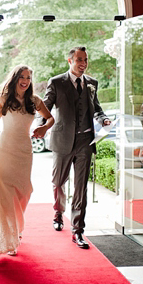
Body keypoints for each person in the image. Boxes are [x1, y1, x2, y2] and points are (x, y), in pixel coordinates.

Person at [0, 65, 54, 255]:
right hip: (5, 150)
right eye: (22, 77)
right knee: (6, 194)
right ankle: (11, 234)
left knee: (24, 192)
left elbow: (50, 118)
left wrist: (43, 129)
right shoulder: (4, 100)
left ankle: (16, 227)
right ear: (15, 78)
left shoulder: (34, 100)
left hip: (24, 151)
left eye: (28, 78)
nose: (25, 81)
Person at [44, 46, 110, 249]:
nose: (83, 63)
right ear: (69, 61)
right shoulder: (56, 82)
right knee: (58, 182)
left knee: (81, 187)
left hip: (85, 142)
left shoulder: (92, 83)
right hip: (62, 140)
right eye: (79, 59)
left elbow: (96, 107)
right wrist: (40, 123)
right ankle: (58, 212)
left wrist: (104, 118)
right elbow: (45, 107)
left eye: (86, 60)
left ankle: (78, 230)